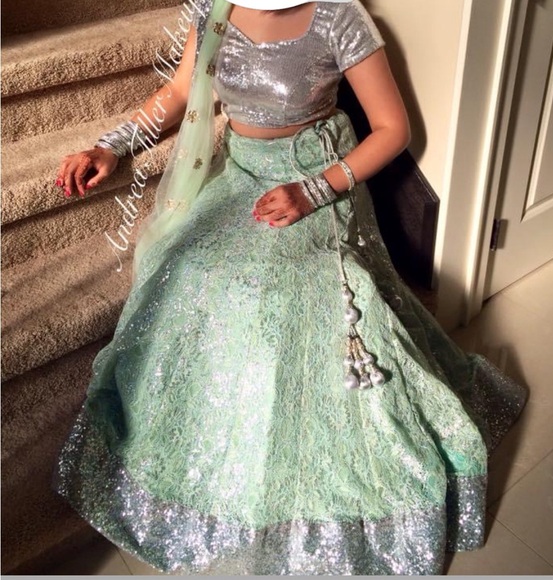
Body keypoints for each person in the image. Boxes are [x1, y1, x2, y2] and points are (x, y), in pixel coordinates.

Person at [53, 0, 527, 575]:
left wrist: (315, 190)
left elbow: (393, 130)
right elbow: (179, 92)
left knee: (279, 292)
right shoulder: (213, 10)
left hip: (314, 177)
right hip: (243, 173)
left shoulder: (338, 17)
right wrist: (111, 144)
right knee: (187, 266)